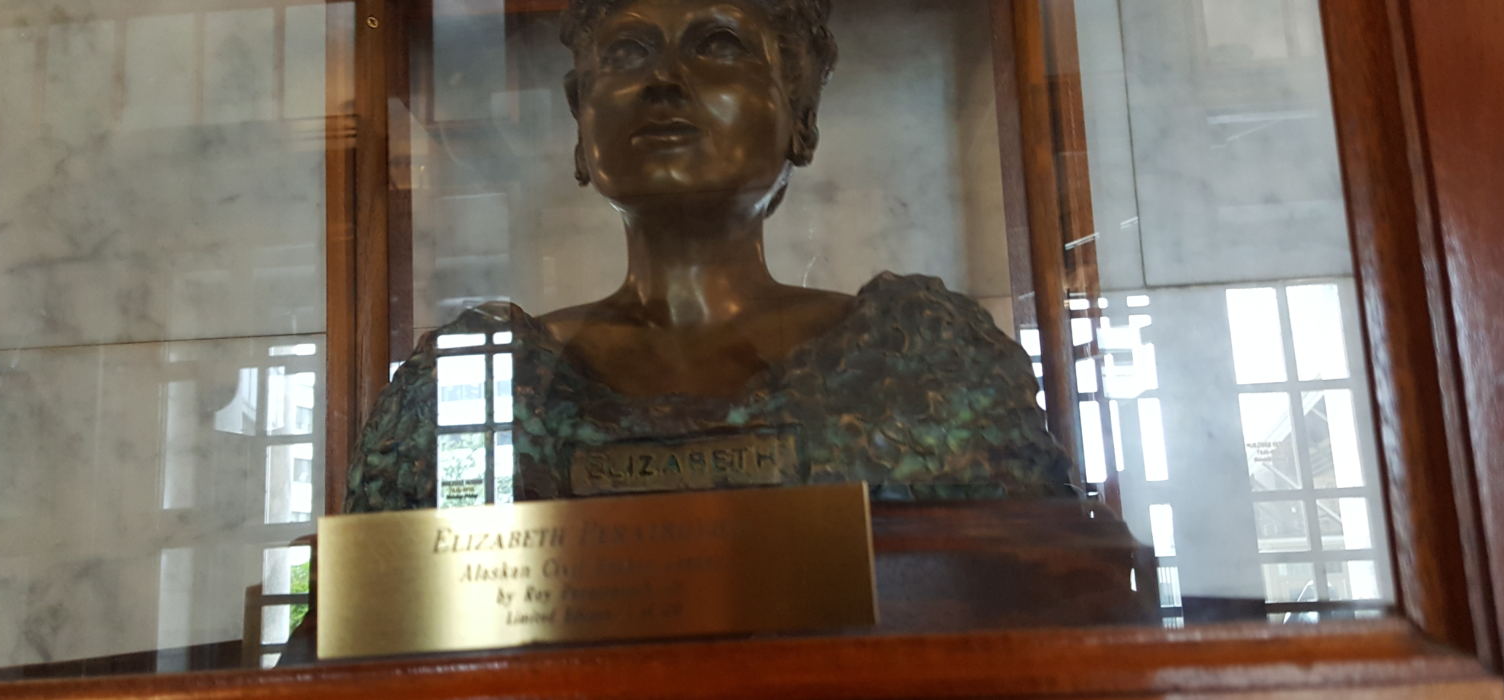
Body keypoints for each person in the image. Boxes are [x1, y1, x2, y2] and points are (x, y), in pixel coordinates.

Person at [344, 0, 1074, 513]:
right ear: (581, 120)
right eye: (627, 53)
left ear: (801, 114)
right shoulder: (461, 390)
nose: (664, 80)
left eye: (718, 43)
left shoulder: (928, 362)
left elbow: (1040, 595)